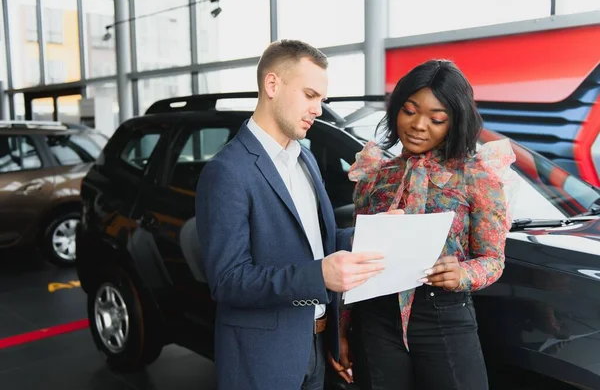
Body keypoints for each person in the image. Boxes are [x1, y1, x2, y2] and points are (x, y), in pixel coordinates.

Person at [195, 39, 385, 390]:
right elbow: (228, 281)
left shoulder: (305, 158)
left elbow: (318, 243)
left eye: (321, 100)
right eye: (310, 95)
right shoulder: (227, 171)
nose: (317, 109)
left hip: (313, 346)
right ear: (272, 85)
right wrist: (319, 277)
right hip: (261, 358)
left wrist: (369, 235)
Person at [335, 59, 515, 390]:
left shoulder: (476, 176)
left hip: (443, 317)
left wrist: (463, 274)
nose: (419, 125)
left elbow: (493, 259)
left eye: (436, 119)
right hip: (376, 320)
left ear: (455, 122)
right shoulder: (375, 175)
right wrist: (342, 330)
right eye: (409, 110)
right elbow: (355, 261)